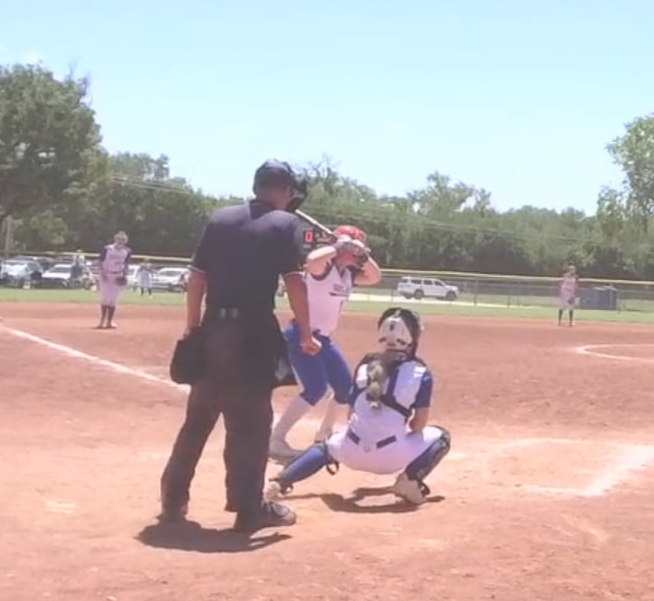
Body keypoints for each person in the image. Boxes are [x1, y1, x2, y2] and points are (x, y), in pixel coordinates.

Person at [159, 160, 319, 532]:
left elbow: (197, 278)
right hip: (252, 334)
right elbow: (295, 282)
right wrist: (306, 332)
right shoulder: (286, 224)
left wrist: (193, 326)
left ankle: (172, 499)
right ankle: (249, 508)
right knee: (251, 424)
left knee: (198, 418)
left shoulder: (221, 219)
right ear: (284, 191)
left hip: (214, 329)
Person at [268, 307, 451, 508]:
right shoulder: (420, 371)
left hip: (350, 452)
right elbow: (418, 426)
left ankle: (280, 481)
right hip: (392, 459)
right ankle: (410, 480)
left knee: (325, 446)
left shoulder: (365, 366)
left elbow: (351, 415)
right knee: (442, 436)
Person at [269, 224, 382, 463]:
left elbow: (375, 276)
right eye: (353, 250)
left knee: (345, 387)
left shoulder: (347, 274)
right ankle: (276, 439)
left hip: (325, 339)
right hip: (302, 334)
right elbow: (312, 260)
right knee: (315, 388)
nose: (355, 255)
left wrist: (363, 255)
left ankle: (324, 434)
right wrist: (339, 245)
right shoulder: (323, 268)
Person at [97, 231, 131, 330]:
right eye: (119, 239)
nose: (120, 241)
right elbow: (100, 261)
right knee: (105, 299)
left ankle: (109, 322)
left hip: (118, 276)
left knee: (113, 300)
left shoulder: (127, 251)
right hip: (106, 274)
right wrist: (102, 273)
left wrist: (124, 275)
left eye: (123, 240)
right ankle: (102, 321)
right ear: (115, 239)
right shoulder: (107, 249)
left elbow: (126, 264)